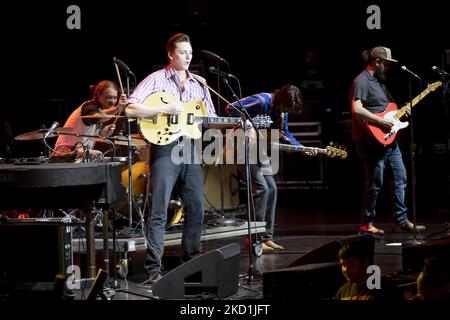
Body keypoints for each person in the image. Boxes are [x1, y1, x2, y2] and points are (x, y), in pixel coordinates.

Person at [125, 33, 217, 283]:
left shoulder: (199, 83)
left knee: (197, 207)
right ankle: (154, 269)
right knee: (159, 209)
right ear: (170, 55)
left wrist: (240, 126)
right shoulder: (156, 79)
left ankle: (191, 263)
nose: (188, 56)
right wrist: (164, 109)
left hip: (189, 149)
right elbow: (130, 108)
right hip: (165, 148)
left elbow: (210, 118)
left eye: (190, 52)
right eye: (182, 52)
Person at [226, 84, 317, 253]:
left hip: (259, 150)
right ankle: (255, 238)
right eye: (286, 107)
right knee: (262, 189)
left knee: (272, 189)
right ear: (281, 100)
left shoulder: (282, 113)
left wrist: (301, 148)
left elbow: (284, 133)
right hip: (240, 147)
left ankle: (267, 238)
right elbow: (231, 108)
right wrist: (249, 126)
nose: (286, 111)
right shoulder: (261, 100)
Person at [349, 46, 425, 235]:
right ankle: (366, 223)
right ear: (376, 62)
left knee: (401, 178)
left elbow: (385, 108)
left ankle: (401, 219)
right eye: (387, 64)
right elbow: (356, 109)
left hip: (389, 140)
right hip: (371, 141)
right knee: (375, 182)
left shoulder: (379, 82)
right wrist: (381, 121)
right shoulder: (361, 80)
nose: (388, 67)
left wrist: (399, 114)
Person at [51, 80, 127, 161]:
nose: (112, 101)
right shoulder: (89, 107)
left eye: (115, 98)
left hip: (77, 154)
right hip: (64, 153)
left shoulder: (98, 109)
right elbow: (97, 117)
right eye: (108, 97)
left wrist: (102, 133)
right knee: (97, 154)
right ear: (98, 95)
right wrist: (117, 108)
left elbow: (87, 135)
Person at [334, 238, 403, 300]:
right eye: (343, 265)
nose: (346, 269)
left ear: (364, 262)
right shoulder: (343, 292)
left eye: (351, 264)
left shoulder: (387, 289)